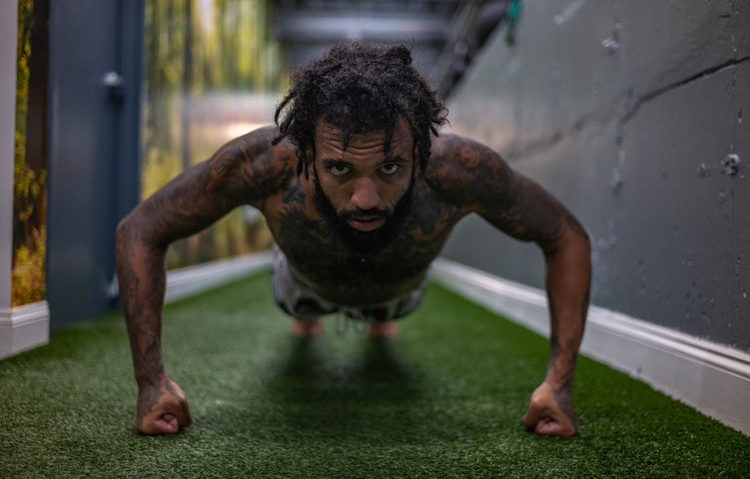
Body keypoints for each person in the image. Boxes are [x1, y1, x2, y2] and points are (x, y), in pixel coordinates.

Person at [115, 42, 591, 438]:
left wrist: (560, 384)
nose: (366, 198)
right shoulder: (265, 164)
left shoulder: (458, 172)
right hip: (301, 286)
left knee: (386, 313)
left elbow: (566, 237)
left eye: (389, 168)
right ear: (305, 156)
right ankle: (311, 321)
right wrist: (149, 380)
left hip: (400, 293)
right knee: (300, 307)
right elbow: (140, 229)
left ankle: (379, 321)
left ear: (420, 155)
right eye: (339, 168)